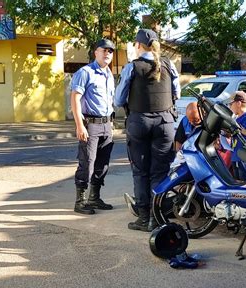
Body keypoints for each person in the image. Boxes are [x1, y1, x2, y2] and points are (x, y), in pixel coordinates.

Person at [115, 28, 181, 232]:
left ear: (137, 45)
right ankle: (157, 217)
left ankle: (144, 218)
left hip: (139, 123)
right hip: (165, 123)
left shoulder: (132, 67)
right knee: (159, 173)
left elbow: (118, 100)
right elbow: (176, 93)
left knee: (141, 172)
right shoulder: (169, 65)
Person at [71, 38, 116, 215]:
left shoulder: (109, 74)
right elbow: (75, 98)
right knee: (87, 162)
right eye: (103, 50)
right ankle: (80, 201)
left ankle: (94, 197)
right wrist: (79, 125)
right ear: (95, 52)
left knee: (102, 164)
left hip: (106, 124)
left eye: (110, 51)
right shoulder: (85, 72)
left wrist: (111, 124)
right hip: (90, 124)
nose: (107, 53)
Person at [228, 91, 246, 181]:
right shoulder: (237, 118)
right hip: (235, 153)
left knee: (243, 178)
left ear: (238, 103)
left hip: (242, 155)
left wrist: (236, 128)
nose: (230, 106)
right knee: (236, 177)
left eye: (231, 104)